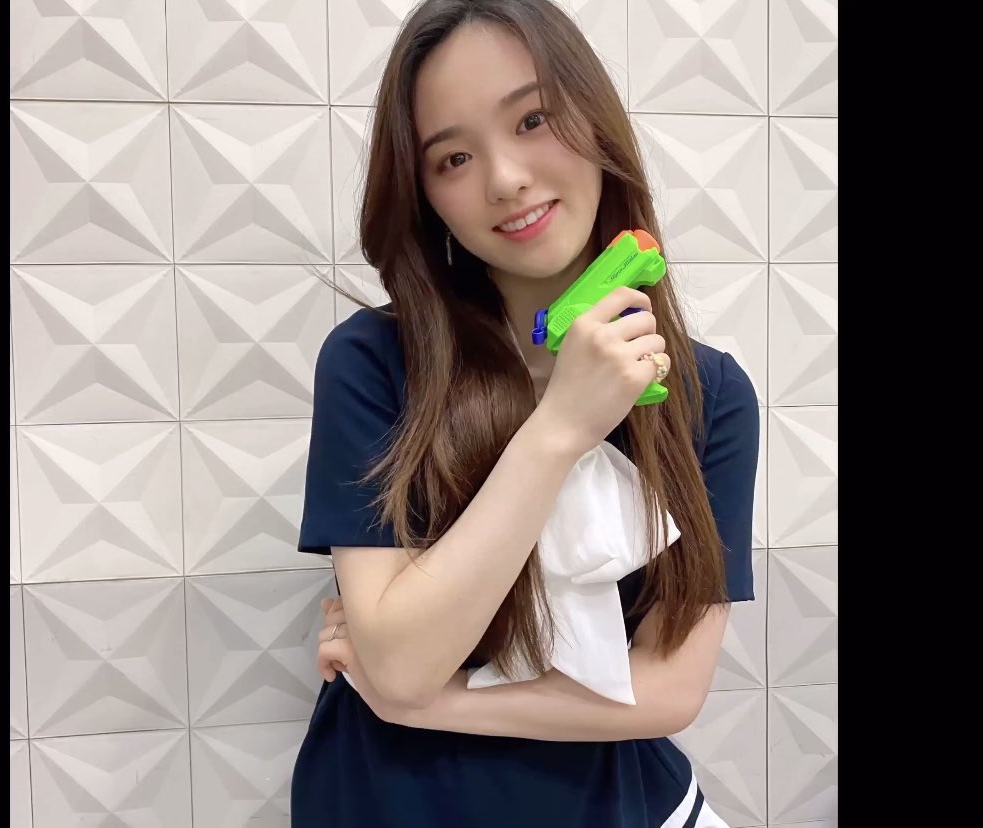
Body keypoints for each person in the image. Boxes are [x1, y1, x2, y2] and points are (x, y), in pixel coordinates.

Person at [292, 0, 759, 825]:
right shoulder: (372, 363)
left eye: (533, 119)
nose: (505, 178)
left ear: (595, 121)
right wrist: (559, 429)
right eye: (454, 158)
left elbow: (669, 690)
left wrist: (429, 700)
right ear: (425, 195)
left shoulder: (709, 394)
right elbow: (400, 662)